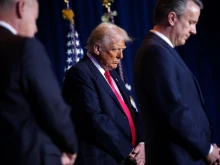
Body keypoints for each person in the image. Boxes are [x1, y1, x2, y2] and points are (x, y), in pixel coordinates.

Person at [133, 0, 220, 165]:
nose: (194, 31)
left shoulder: (161, 50)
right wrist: (207, 150)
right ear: (172, 18)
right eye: (191, 22)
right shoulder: (155, 52)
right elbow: (174, 111)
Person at [0, 0, 78, 164]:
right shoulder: (25, 48)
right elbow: (52, 106)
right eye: (35, 19)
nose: (35, 28)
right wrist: (71, 146)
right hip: (30, 155)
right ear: (21, 7)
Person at [62, 22, 145, 165]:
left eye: (122, 49)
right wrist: (127, 151)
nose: (121, 56)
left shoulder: (112, 73)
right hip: (102, 159)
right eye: (115, 49)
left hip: (126, 157)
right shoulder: (79, 74)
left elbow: (131, 112)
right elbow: (93, 118)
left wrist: (142, 142)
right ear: (97, 48)